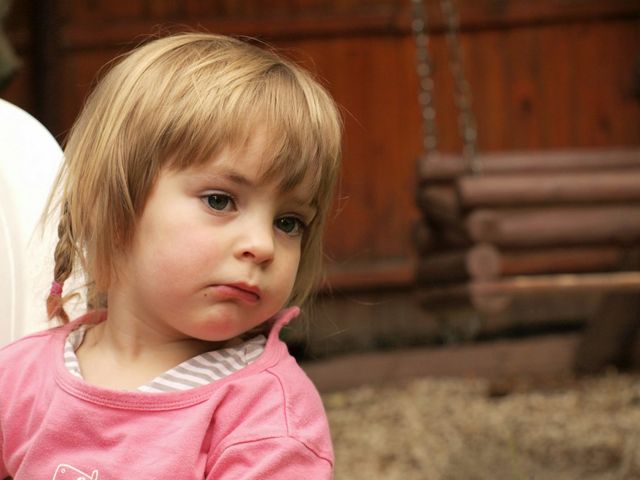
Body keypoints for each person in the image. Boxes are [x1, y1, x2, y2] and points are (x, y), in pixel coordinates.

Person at [0, 32, 342, 478]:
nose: (262, 245)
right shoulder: (20, 376)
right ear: (113, 206)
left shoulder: (265, 418)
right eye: (220, 200)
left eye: (289, 222)